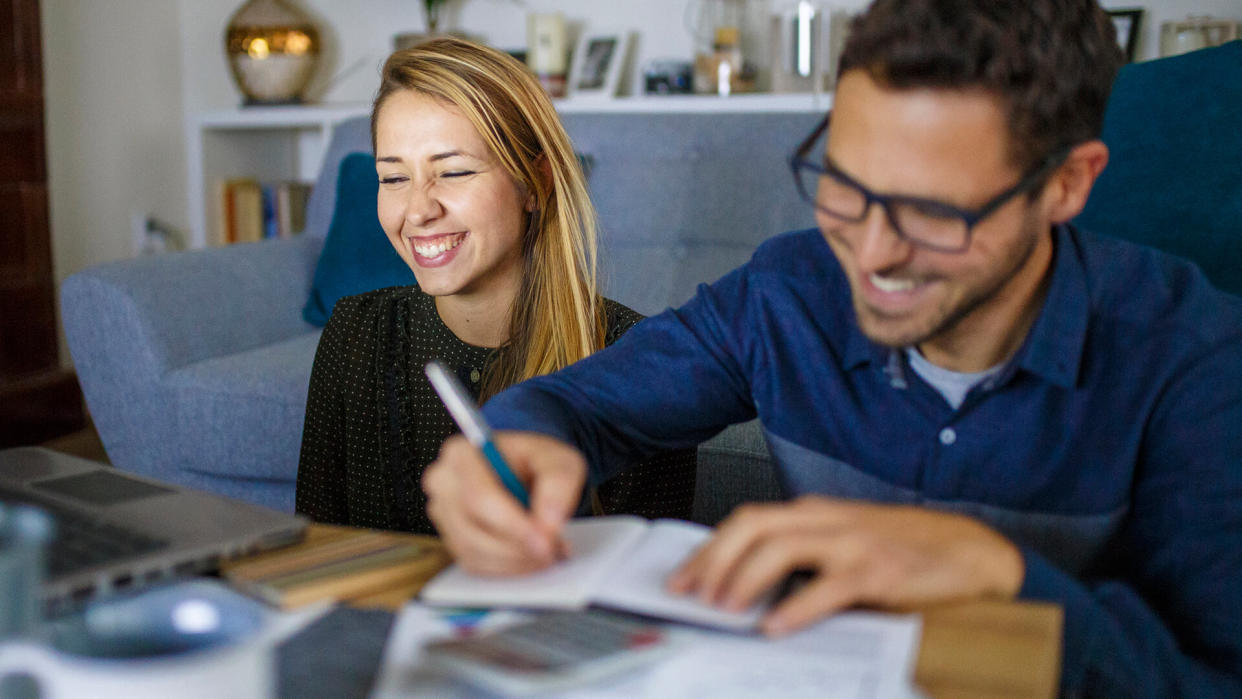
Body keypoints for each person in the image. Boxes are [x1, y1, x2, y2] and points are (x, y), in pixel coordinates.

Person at [421, 2, 1242, 696]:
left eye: (932, 212)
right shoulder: (788, 291)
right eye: (844, 187)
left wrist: (998, 570)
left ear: (1066, 183)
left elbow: (1216, 672)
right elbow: (577, 405)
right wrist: (520, 438)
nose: (872, 255)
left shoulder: (1195, 357)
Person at [295, 37, 695, 534]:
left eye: (455, 172)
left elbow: (641, 582)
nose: (418, 211)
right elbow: (316, 548)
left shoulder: (636, 362)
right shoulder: (354, 333)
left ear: (535, 184)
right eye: (394, 179)